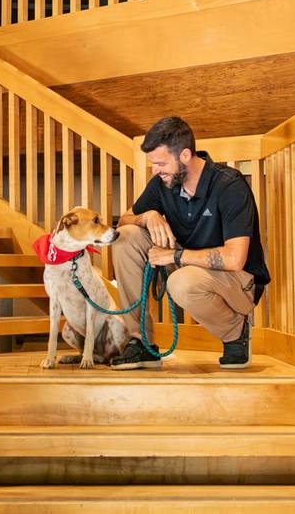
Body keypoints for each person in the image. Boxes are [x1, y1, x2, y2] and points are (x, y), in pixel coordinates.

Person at [110, 116, 270, 370]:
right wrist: (147, 215)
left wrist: (174, 257)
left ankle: (235, 332)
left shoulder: (229, 185)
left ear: (185, 155)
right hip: (187, 268)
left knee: (180, 282)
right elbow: (124, 221)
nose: (155, 170)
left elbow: (234, 258)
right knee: (126, 237)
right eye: (153, 164)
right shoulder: (163, 184)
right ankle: (141, 343)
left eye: (161, 163)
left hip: (237, 282)